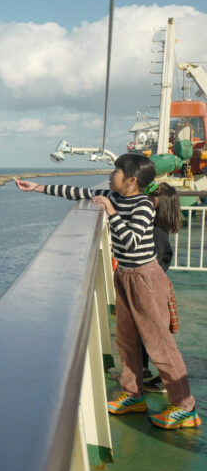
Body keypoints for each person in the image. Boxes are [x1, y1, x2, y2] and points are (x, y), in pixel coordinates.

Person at [15, 154, 200, 429]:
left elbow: (133, 243)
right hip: (125, 275)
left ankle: (185, 408)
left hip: (145, 278)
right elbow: (78, 191)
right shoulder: (116, 196)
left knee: (160, 345)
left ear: (131, 180)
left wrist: (111, 212)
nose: (111, 175)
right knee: (126, 340)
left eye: (116, 171)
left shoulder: (143, 206)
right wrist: (39, 187)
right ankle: (133, 394)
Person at [141, 182, 183, 392]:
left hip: (151, 289)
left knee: (154, 337)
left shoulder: (155, 233)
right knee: (148, 334)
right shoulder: (160, 230)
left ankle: (169, 381)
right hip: (155, 287)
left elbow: (153, 264)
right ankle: (144, 372)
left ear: (154, 203)